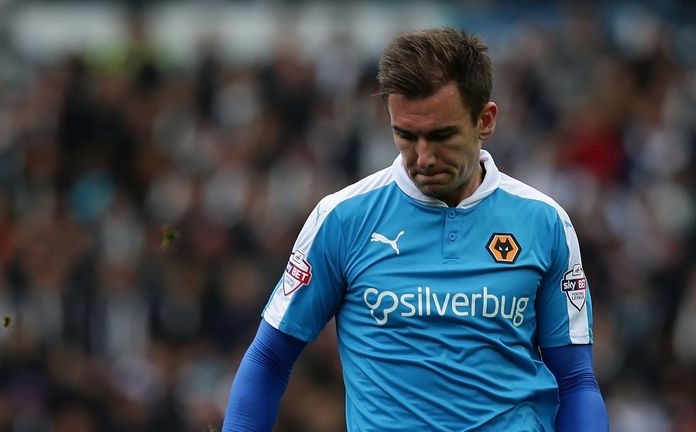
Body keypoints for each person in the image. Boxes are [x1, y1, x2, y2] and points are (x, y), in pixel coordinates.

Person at [222, 27, 609, 431]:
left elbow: (576, 381)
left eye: (442, 136)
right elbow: (268, 359)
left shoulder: (544, 223)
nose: (422, 158)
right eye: (406, 135)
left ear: (486, 120)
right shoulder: (341, 219)